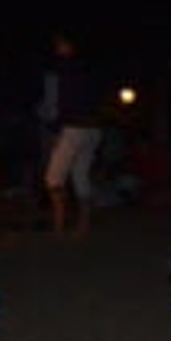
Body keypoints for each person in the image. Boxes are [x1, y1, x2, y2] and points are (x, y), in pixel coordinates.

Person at [41, 32, 103, 234]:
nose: (57, 48)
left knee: (53, 179)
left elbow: (54, 103)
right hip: (93, 128)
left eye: (60, 44)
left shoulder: (58, 70)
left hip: (73, 128)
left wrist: (52, 125)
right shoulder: (89, 67)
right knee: (80, 174)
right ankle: (83, 224)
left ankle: (59, 224)